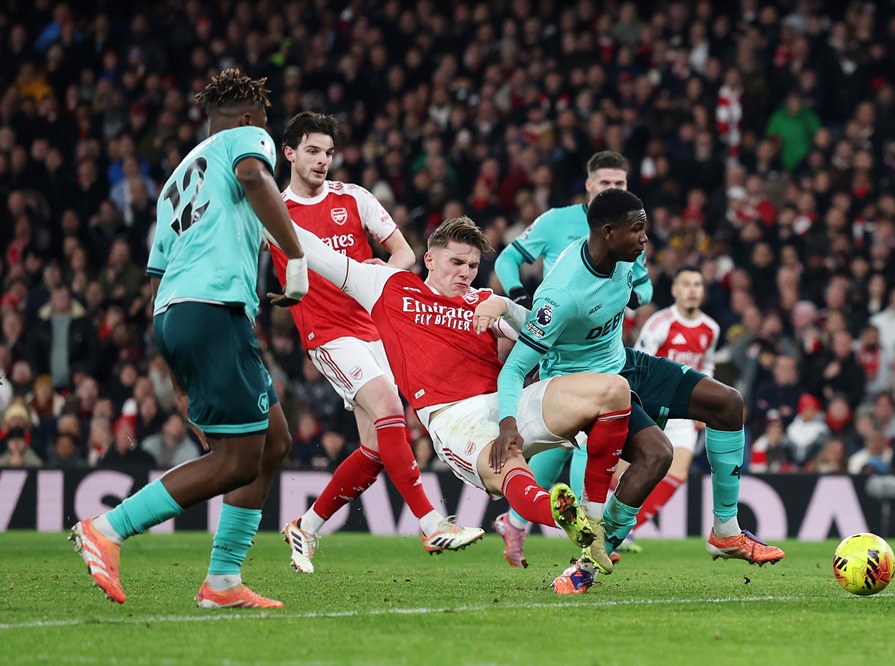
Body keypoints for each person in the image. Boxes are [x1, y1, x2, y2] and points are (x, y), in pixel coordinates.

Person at [69, 68, 310, 609]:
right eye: (264, 126)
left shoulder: (178, 178)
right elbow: (254, 174)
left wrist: (178, 380)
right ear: (249, 118)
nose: (266, 137)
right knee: (237, 459)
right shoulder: (245, 140)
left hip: (179, 315)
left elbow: (157, 281)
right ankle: (108, 527)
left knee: (273, 443)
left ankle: (222, 583)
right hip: (213, 308)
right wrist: (293, 255)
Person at [272, 215, 637, 569]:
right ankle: (563, 517)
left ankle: (594, 515)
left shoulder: (481, 300)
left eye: (474, 265)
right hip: (456, 419)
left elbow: (540, 332)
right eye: (457, 262)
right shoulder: (386, 284)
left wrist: (505, 306)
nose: (465, 273)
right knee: (509, 471)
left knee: (613, 389)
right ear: (429, 259)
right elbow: (317, 251)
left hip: (509, 402)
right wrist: (260, 209)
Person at [491, 189, 784, 591]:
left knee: (728, 403)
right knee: (658, 454)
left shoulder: (624, 256)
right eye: (638, 230)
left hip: (625, 363)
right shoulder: (561, 296)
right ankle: (587, 566)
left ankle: (726, 531)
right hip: (588, 388)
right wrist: (509, 425)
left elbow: (633, 296)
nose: (646, 239)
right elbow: (514, 370)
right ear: (609, 232)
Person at [268, 112, 484, 573]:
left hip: (374, 328)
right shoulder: (276, 211)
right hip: (328, 334)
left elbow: (403, 253)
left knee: (376, 446)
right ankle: (431, 524)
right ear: (288, 153)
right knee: (389, 408)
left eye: (328, 152)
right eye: (312, 150)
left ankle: (305, 527)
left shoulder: (355, 198)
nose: (323, 160)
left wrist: (375, 279)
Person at [490, 151, 653, 560]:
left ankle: (516, 520)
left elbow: (646, 289)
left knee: (562, 446)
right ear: (589, 184)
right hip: (557, 347)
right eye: (606, 183)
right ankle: (590, 532)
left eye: (620, 183)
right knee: (588, 441)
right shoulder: (555, 223)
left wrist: (631, 294)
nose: (613, 189)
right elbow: (509, 258)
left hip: (605, 349)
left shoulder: (632, 233)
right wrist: (517, 297)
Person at [629, 265, 720, 539]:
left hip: (685, 413)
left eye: (697, 285)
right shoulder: (661, 323)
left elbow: (708, 366)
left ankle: (625, 529)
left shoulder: (711, 328)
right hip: (653, 408)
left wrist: (705, 405)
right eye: (686, 284)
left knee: (678, 473)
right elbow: (638, 363)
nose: (692, 290)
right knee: (629, 470)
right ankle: (612, 519)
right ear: (674, 290)